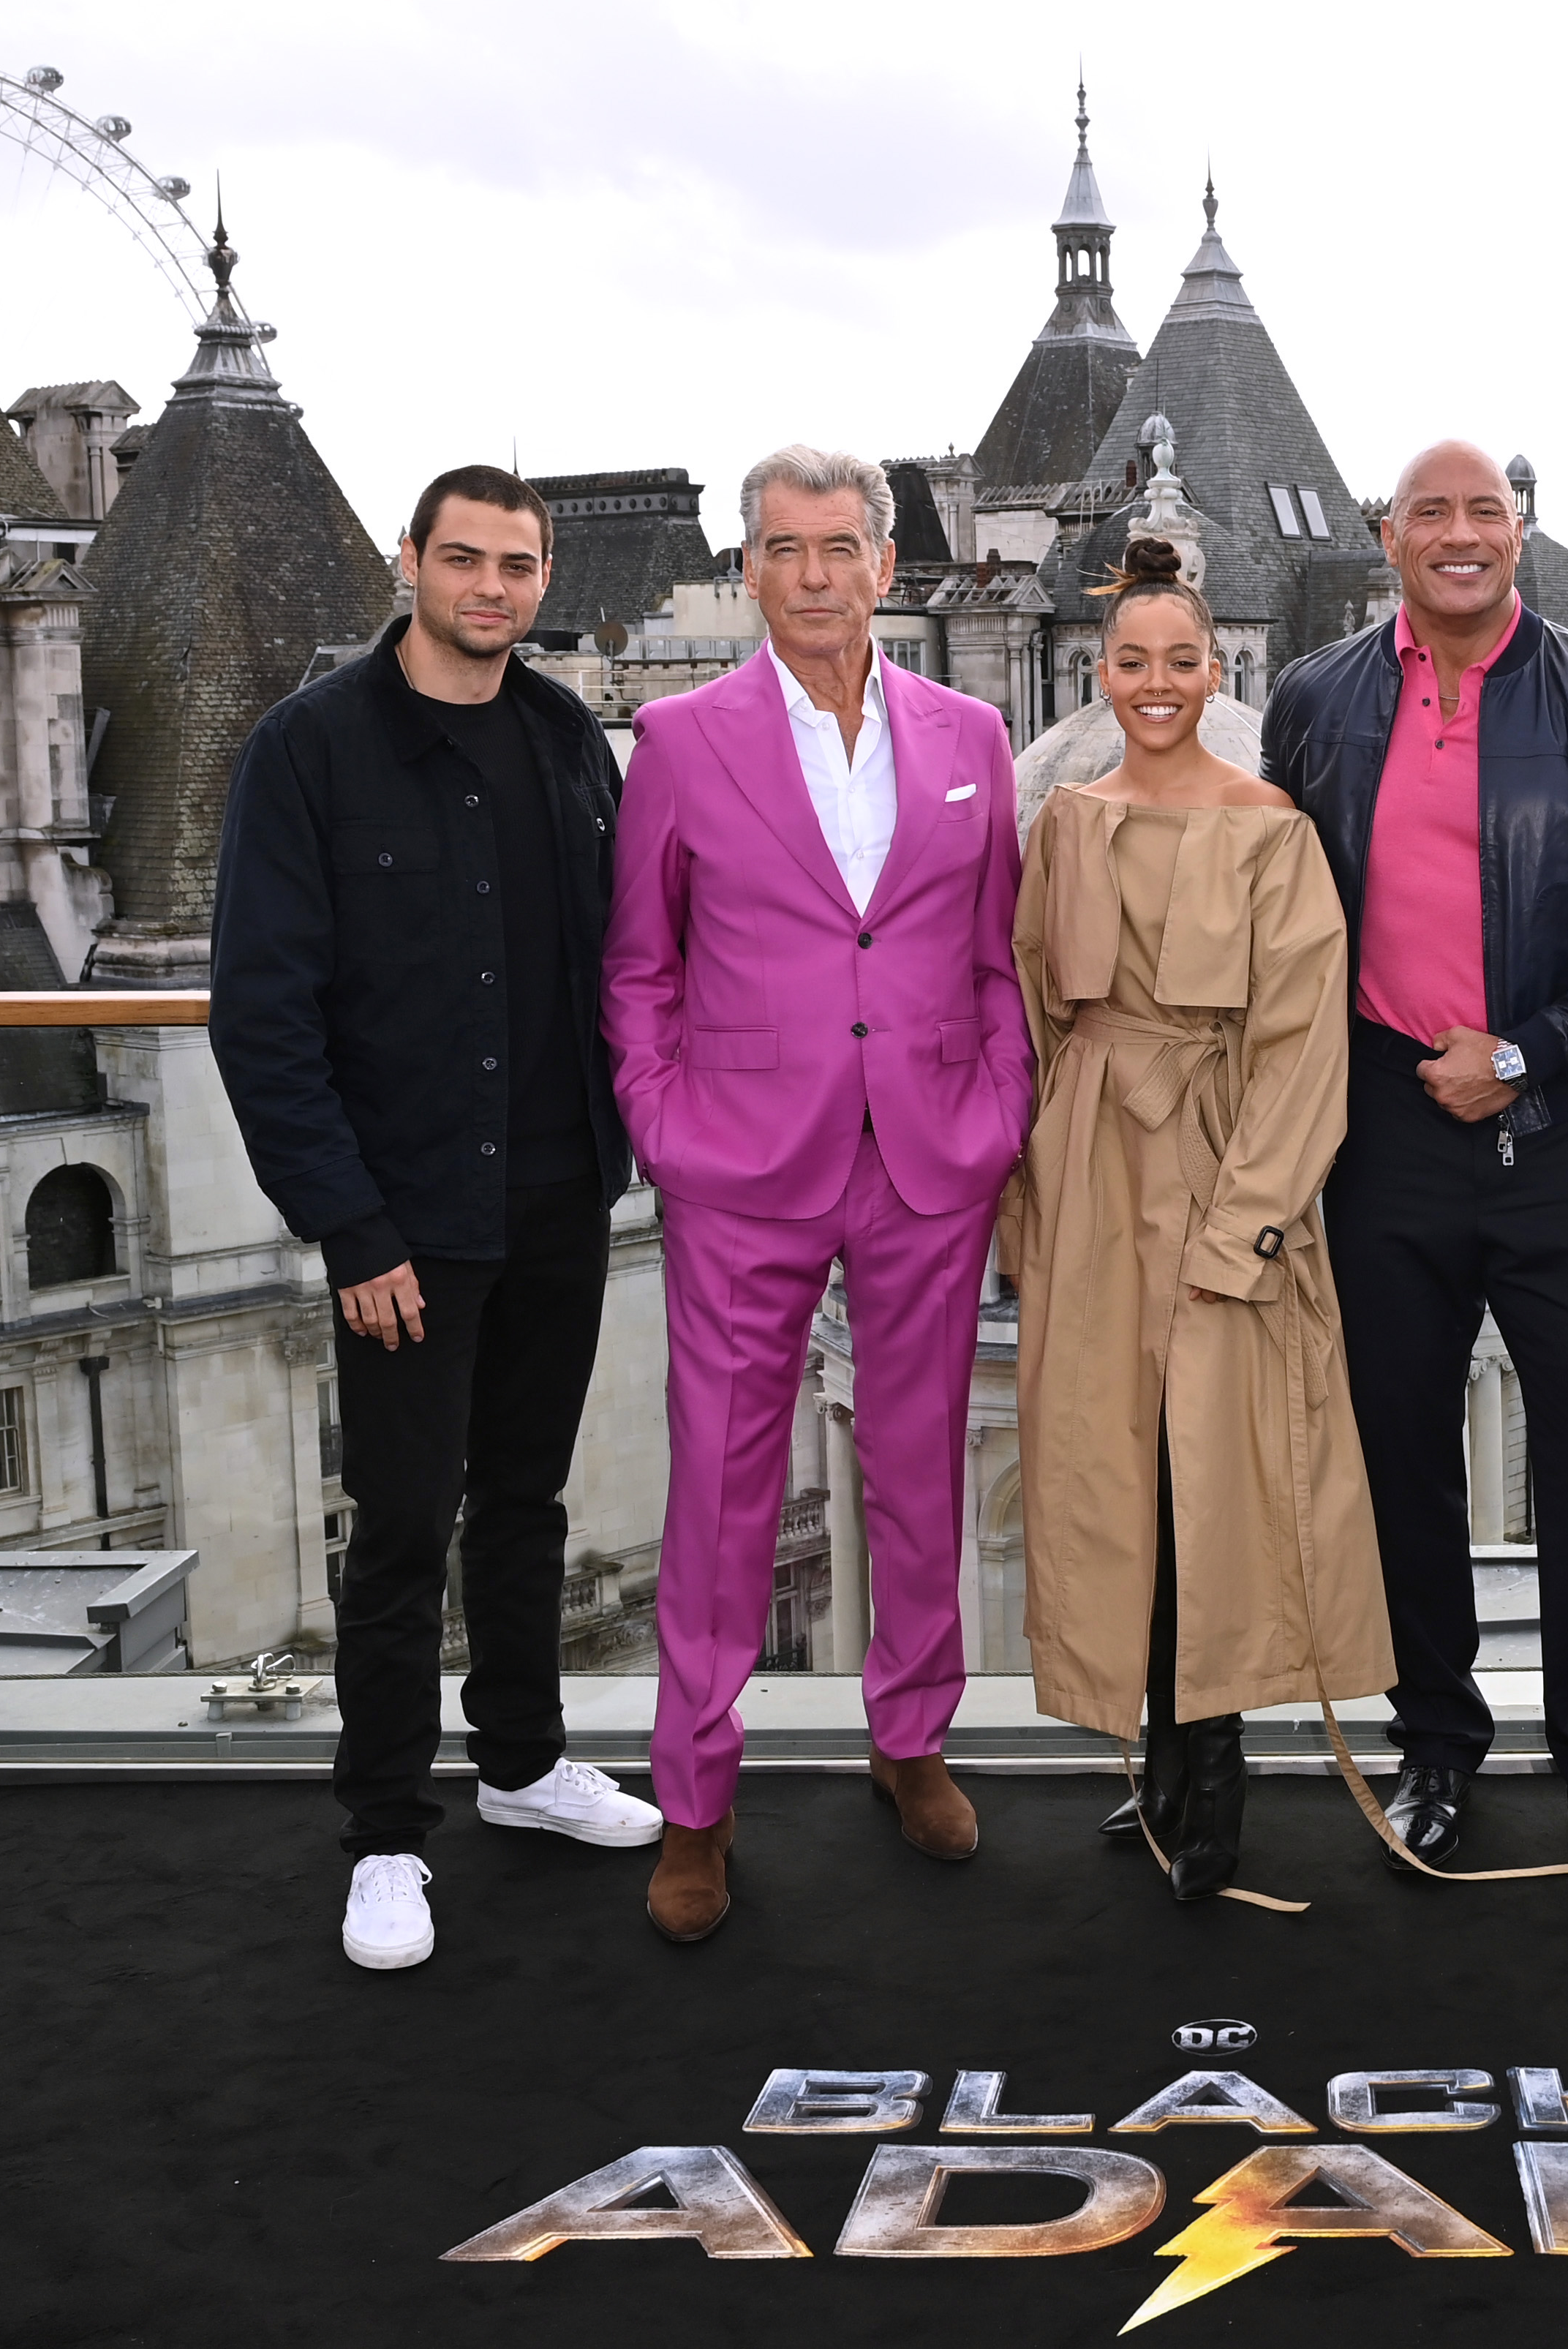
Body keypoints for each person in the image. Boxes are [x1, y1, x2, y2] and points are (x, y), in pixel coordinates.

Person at [211, 463, 660, 1975]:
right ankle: (387, 1835)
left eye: (515, 566)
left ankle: (523, 1764)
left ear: (544, 580)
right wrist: (350, 1226)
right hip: (407, 1217)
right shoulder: (310, 748)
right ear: (409, 561)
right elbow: (261, 1013)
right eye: (463, 559)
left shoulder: (566, 740)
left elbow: (620, 961)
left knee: (527, 1501)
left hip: (559, 1190)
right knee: (403, 1526)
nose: (490, 588)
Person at [1262, 441, 1568, 1901]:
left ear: (1516, 533)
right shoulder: (1314, 699)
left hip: (1560, 1128)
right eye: (1431, 513)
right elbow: (1268, 904)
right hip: (1384, 1129)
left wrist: (1526, 1051)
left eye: (1485, 513)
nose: (1459, 535)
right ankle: (1436, 1752)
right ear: (1386, 535)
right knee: (1399, 1461)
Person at [602, 446, 1033, 1944]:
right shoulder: (677, 738)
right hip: (740, 1164)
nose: (811, 575)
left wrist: (997, 1111)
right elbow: (639, 966)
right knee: (719, 1491)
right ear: (748, 570)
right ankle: (696, 1804)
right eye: (781, 549)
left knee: (918, 1469)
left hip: (927, 1156)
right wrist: (665, 1126)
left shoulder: (970, 732)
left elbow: (994, 952)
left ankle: (910, 1740)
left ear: (885, 565)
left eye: (837, 546)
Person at [1003, 537, 1393, 1903]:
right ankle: (1159, 1751)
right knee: (1116, 1472)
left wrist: (1249, 1226)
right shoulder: (1066, 821)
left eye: (1181, 661)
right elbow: (1033, 1018)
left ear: (1216, 671)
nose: (1156, 682)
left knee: (1222, 1472)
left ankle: (1216, 1766)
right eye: (1132, 661)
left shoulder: (1272, 827)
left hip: (1226, 1164)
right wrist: (1030, 1205)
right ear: (1099, 673)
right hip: (1091, 1174)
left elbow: (1304, 1049)